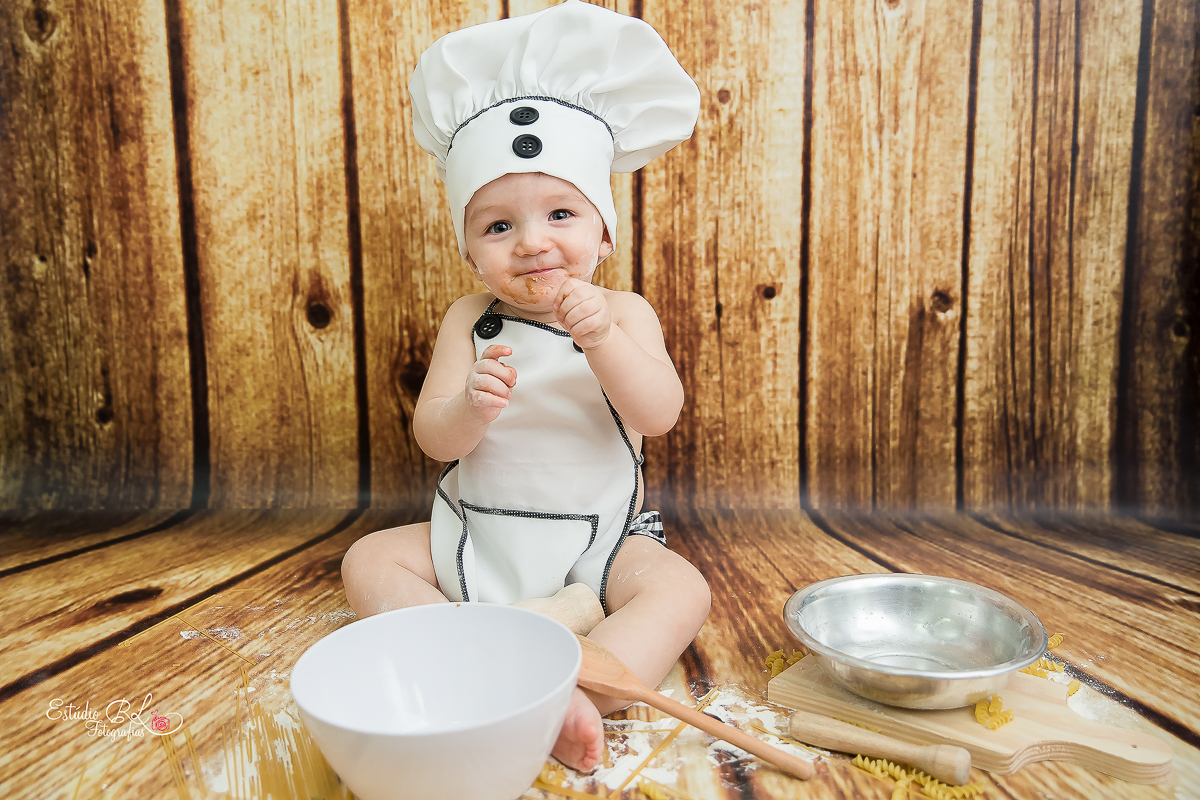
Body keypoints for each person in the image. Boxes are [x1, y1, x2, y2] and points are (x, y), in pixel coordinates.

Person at [340, 0, 710, 773]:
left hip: (598, 545)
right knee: (368, 561)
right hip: (479, 531)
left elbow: (659, 414)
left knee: (682, 594)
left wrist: (602, 339)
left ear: (602, 232)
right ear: (471, 251)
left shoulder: (625, 312)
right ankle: (475, 665)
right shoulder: (469, 322)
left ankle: (579, 691)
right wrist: (470, 409)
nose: (534, 241)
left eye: (561, 213)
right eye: (498, 226)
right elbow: (431, 436)